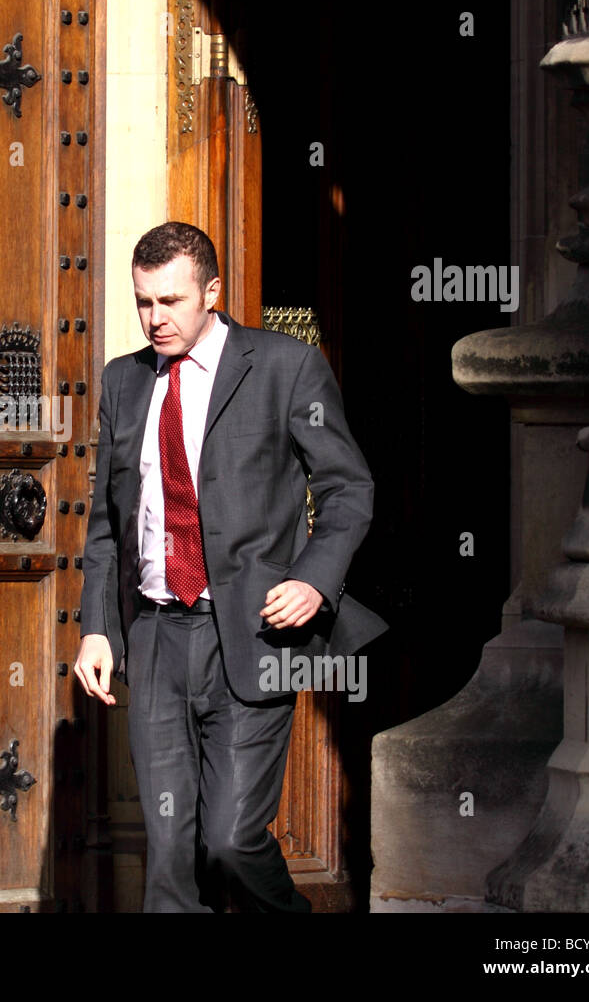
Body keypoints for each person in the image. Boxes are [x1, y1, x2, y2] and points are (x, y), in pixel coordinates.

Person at [75, 221, 388, 912]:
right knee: (170, 853)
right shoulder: (123, 382)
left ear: (212, 292)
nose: (155, 319)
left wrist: (313, 577)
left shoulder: (285, 367)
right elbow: (107, 523)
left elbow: (347, 488)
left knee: (230, 840)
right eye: (143, 303)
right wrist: (97, 626)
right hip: (154, 637)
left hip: (251, 636)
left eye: (172, 302)